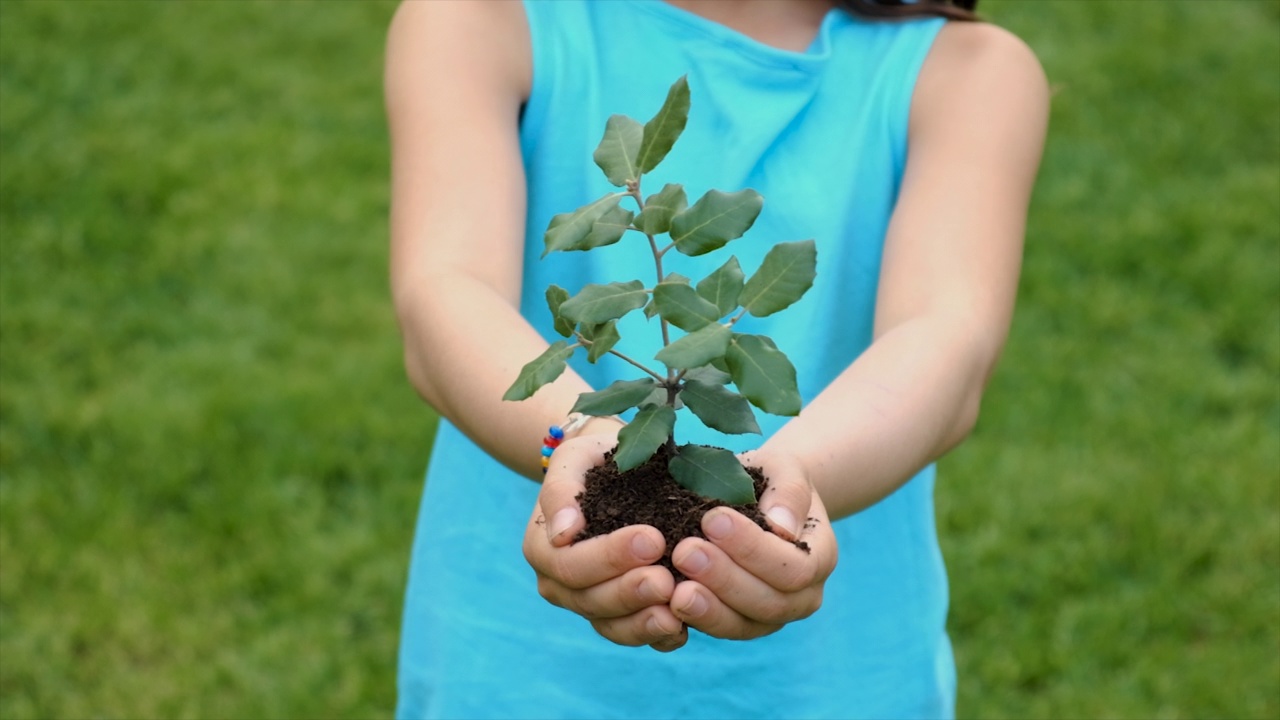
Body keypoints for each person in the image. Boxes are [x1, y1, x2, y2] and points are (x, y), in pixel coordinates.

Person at [385, 0, 1047, 717]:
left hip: (832, 680)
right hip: (518, 670)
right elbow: (444, 294)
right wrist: (575, 438)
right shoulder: (484, 19)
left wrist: (785, 493)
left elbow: (945, 339)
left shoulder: (967, 73)